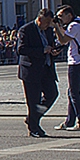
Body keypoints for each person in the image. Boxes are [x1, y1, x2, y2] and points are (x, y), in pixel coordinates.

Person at [17, 8, 61, 137]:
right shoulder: (26, 30)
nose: (48, 26)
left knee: (52, 94)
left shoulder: (48, 31)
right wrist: (41, 50)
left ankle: (33, 118)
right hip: (31, 70)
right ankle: (34, 128)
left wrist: (54, 52)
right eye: (46, 23)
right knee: (33, 100)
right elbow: (21, 49)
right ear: (40, 19)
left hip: (46, 69)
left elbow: (50, 45)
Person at [53, 5, 80, 131]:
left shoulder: (73, 26)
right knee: (72, 92)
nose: (59, 18)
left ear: (69, 15)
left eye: (61, 16)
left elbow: (63, 40)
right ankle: (70, 121)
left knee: (74, 93)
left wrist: (56, 28)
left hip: (77, 62)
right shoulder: (78, 22)